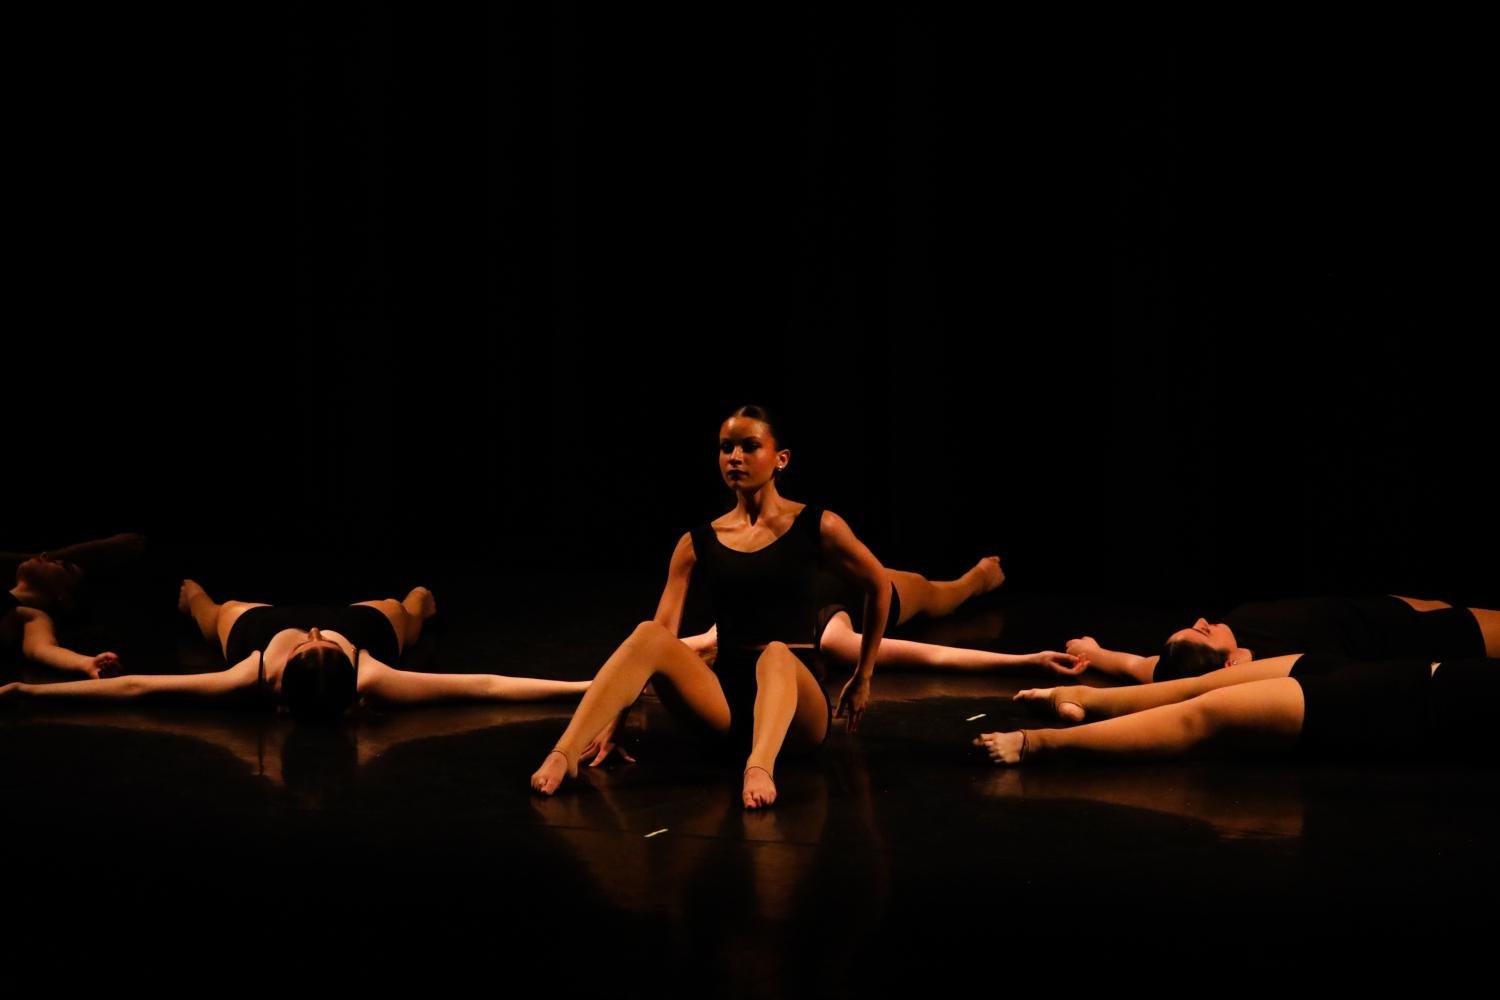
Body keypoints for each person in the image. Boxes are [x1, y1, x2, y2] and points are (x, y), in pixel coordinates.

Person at [530, 405, 891, 809]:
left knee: (776, 653)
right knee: (648, 633)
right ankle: (564, 752)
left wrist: (863, 676)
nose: (735, 457)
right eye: (726, 447)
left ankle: (760, 765)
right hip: (726, 701)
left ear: (781, 459)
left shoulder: (817, 525)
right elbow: (658, 641)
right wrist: (615, 726)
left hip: (796, 706)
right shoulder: (697, 542)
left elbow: (879, 585)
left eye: (749, 446)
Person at [1, 580, 589, 715]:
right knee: (409, 606)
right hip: (366, 622)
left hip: (259, 624)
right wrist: (587, 687)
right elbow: (485, 685)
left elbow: (140, 688)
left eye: (309, 646)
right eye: (321, 644)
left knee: (211, 610)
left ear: (281, 677)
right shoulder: (370, 673)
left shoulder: (250, 673)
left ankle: (193, 595)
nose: (313, 634)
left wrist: (32, 691)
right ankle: (421, 601)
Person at [975, 651, 1499, 765]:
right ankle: (1084, 698)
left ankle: (1041, 744)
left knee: (1209, 714)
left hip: (1409, 705)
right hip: (1406, 672)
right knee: (1199, 686)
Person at [677, 556, 1081, 675]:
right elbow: (932, 655)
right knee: (939, 596)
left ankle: (970, 582)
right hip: (879, 592)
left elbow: (680, 646)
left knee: (942, 594)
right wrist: (1026, 661)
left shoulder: (734, 624)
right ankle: (973, 581)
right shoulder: (829, 637)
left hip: (850, 570)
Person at [1067, 594, 1500, 683]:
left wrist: (1091, 651)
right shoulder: (1272, 668)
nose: (1203, 619)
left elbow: (1138, 665)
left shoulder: (1228, 639)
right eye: (1203, 631)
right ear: (1229, 663)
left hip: (1390, 607)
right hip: (1432, 634)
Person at [1, 533, 147, 677]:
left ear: (64, 595)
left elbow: (43, 649)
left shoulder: (32, 616)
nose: (44, 555)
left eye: (61, 565)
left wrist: (87, 663)